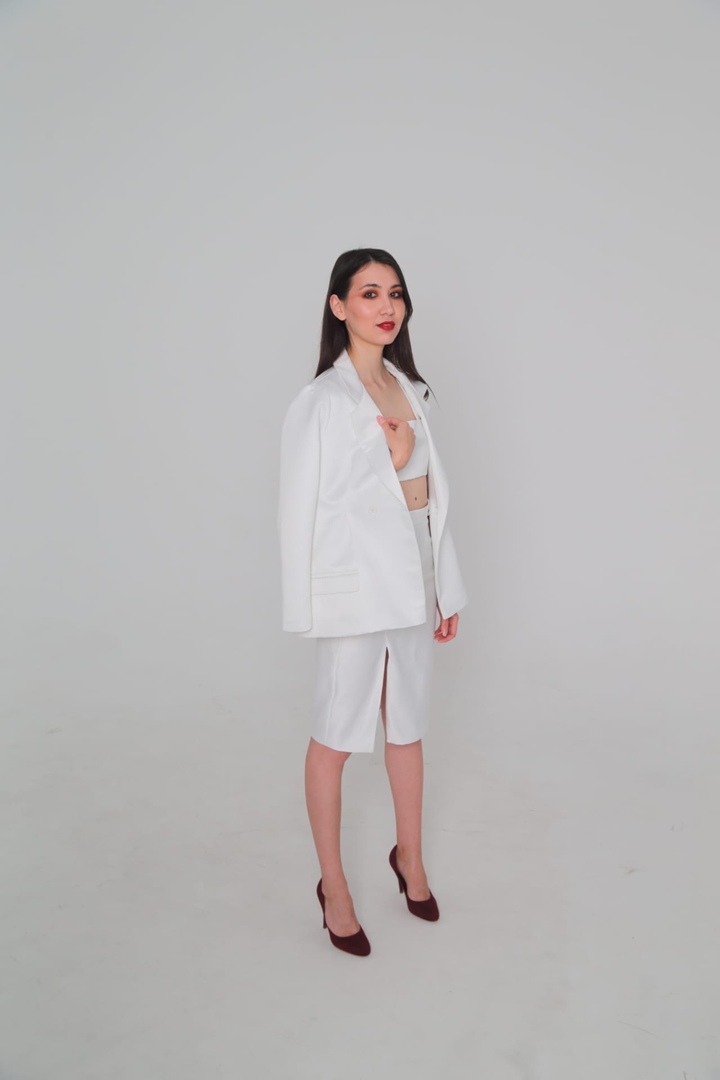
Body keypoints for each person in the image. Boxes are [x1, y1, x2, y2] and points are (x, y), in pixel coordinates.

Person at [278, 248, 468, 957]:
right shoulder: (322, 401)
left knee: (407, 726)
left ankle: (409, 858)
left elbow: (431, 504)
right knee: (336, 736)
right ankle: (333, 886)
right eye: (368, 293)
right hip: (355, 594)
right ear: (338, 306)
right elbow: (300, 509)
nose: (387, 307)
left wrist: (445, 587)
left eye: (395, 293)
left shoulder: (408, 387)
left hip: (413, 584)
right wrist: (306, 610)